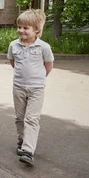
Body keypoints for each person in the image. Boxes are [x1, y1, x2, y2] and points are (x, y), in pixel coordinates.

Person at [7, 9, 54, 166]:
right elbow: (13, 63)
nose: (21, 30)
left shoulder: (44, 47)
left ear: (37, 31)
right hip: (19, 87)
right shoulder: (13, 45)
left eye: (26, 28)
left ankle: (28, 150)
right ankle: (22, 141)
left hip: (37, 88)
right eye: (19, 27)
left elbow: (48, 66)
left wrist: (38, 78)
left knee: (32, 119)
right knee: (20, 118)